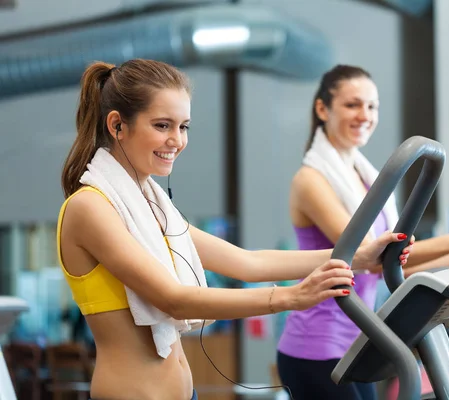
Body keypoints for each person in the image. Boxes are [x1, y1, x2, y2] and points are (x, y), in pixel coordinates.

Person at [57, 59, 413, 400]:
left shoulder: (152, 209)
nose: (177, 141)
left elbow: (248, 262)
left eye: (183, 127)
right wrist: (291, 297)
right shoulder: (90, 207)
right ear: (117, 125)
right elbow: (174, 299)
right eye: (162, 125)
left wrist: (358, 255)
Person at [276, 65, 449, 400]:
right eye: (352, 105)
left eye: (372, 106)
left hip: (361, 344)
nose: (364, 115)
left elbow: (398, 267)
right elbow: (368, 256)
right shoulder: (310, 180)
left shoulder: (366, 179)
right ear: (323, 109)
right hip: (315, 349)